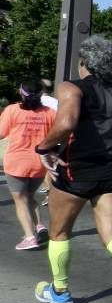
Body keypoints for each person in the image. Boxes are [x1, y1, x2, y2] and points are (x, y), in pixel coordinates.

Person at [32, 35, 112, 303]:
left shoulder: (72, 87)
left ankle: (59, 291)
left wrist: (43, 148)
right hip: (110, 172)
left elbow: (66, 123)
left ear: (84, 62)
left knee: (60, 233)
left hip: (75, 170)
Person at [0, 79, 55, 249]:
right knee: (29, 197)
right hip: (38, 163)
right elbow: (63, 134)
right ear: (42, 94)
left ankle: (30, 238)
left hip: (16, 163)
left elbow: (0, 133)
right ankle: (38, 227)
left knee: (21, 200)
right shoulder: (50, 113)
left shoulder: (12, 110)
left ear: (20, 92)